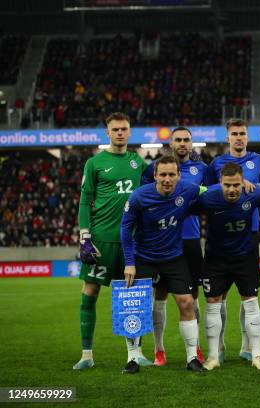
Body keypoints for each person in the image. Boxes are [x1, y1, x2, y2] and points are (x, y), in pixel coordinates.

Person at [74, 112, 149, 370]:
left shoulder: (138, 163)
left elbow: (163, 178)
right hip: (101, 240)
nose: (119, 133)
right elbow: (85, 201)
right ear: (107, 132)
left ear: (130, 132)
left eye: (124, 129)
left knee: (129, 297)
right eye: (115, 129)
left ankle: (134, 353)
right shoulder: (94, 163)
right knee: (90, 293)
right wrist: (85, 236)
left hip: (131, 241)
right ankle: (86, 354)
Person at [120, 155, 205, 373]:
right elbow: (125, 229)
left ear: (178, 175)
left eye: (172, 174)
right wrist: (129, 263)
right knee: (136, 307)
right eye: (163, 174)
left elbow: (210, 192)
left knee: (187, 303)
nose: (167, 179)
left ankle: (192, 358)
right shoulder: (139, 197)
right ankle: (132, 358)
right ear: (155, 175)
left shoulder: (187, 189)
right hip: (144, 258)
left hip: (174, 258)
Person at [191, 163, 260, 371]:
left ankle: (257, 355)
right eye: (227, 185)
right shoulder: (207, 196)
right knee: (212, 303)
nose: (232, 189)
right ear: (220, 183)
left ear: (243, 183)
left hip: (245, 257)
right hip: (215, 259)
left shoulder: (253, 193)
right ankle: (213, 356)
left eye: (236, 184)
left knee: (251, 303)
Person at [141, 126, 209, 366]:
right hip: (161, 239)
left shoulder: (203, 169)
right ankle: (159, 349)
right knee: (159, 293)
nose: (182, 143)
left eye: (186, 140)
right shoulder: (154, 169)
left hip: (190, 238)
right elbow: (145, 198)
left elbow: (211, 196)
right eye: (178, 139)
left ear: (192, 143)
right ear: (171, 142)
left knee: (192, 295)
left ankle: (196, 347)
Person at [205, 118, 260, 362]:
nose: (239, 137)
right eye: (235, 134)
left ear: (247, 137)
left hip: (247, 235)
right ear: (228, 137)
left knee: (248, 296)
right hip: (219, 237)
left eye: (243, 133)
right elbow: (209, 191)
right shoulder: (216, 164)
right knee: (217, 299)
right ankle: (217, 350)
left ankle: (247, 347)